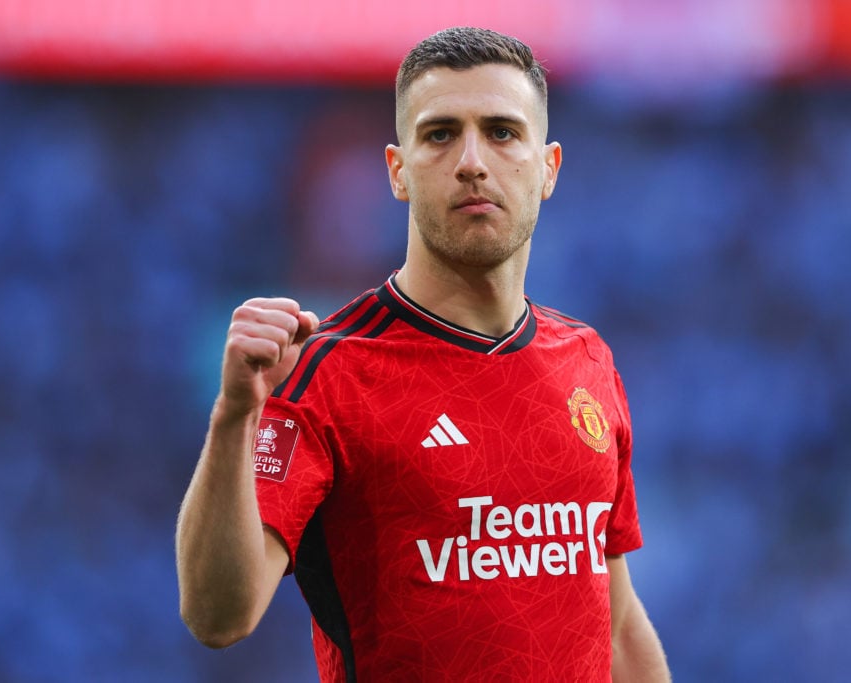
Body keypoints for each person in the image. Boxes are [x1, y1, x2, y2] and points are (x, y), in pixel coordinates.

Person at [176, 26, 670, 682]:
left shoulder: (587, 361)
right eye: (440, 134)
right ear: (398, 170)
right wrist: (235, 416)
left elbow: (616, 623)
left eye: (501, 131)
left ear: (547, 167)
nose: (472, 160)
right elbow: (218, 615)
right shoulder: (328, 375)